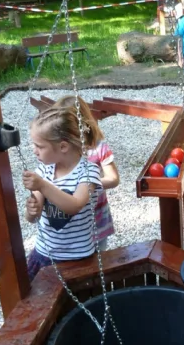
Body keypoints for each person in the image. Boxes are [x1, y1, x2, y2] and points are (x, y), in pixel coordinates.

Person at [22, 104, 103, 281]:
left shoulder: (88, 172)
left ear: (63, 147)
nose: (34, 150)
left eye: (40, 146)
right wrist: (31, 210)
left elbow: (74, 205)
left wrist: (42, 185)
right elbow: (32, 216)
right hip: (44, 254)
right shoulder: (44, 170)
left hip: (78, 258)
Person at [53, 96, 119, 251]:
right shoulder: (60, 149)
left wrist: (88, 184)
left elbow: (114, 179)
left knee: (98, 260)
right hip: (72, 221)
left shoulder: (98, 147)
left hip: (96, 216)